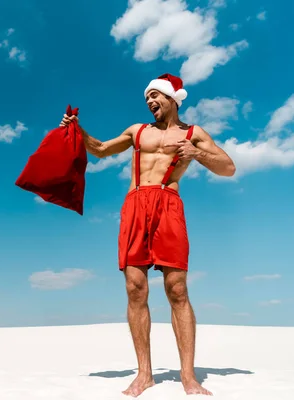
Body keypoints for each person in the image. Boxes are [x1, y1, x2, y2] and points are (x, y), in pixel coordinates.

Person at [60, 73, 236, 397]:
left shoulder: (194, 134)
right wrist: (77, 129)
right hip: (136, 204)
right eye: (147, 98)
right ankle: (145, 374)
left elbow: (228, 167)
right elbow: (99, 149)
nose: (150, 102)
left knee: (177, 288)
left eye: (156, 96)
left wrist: (196, 153)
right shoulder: (137, 131)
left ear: (172, 98)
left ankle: (188, 376)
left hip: (168, 204)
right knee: (135, 287)